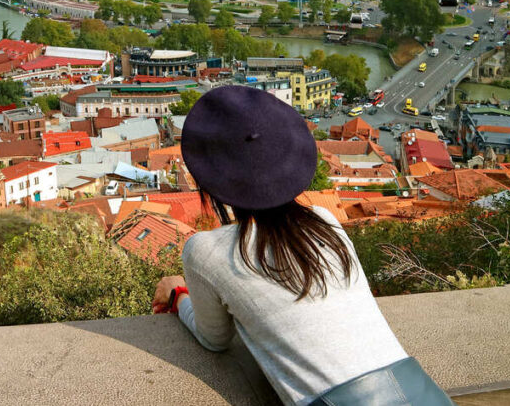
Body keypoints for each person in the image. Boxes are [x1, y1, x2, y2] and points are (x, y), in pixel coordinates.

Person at [153, 86, 453, 406]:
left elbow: (214, 340)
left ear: (210, 182)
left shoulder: (205, 251)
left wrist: (178, 295)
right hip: (423, 394)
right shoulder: (325, 221)